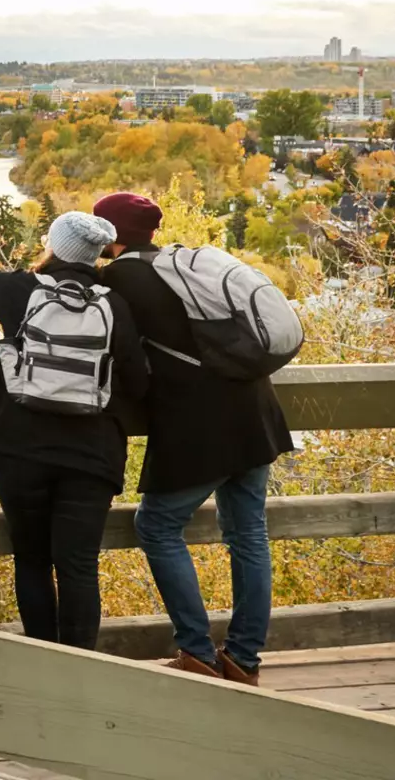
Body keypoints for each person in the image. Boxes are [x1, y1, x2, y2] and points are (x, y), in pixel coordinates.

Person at [0, 211, 148, 650]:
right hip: (91, 457)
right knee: (79, 568)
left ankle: (41, 662)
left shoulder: (21, 290)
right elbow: (137, 379)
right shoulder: (115, 306)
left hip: (20, 450)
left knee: (32, 561)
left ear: (54, 246)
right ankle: (79, 670)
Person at [92, 191, 294, 685]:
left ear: (111, 236)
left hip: (200, 423)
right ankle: (243, 660)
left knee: (157, 526)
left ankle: (197, 652)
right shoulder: (180, 267)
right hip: (255, 411)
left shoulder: (121, 278)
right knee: (248, 535)